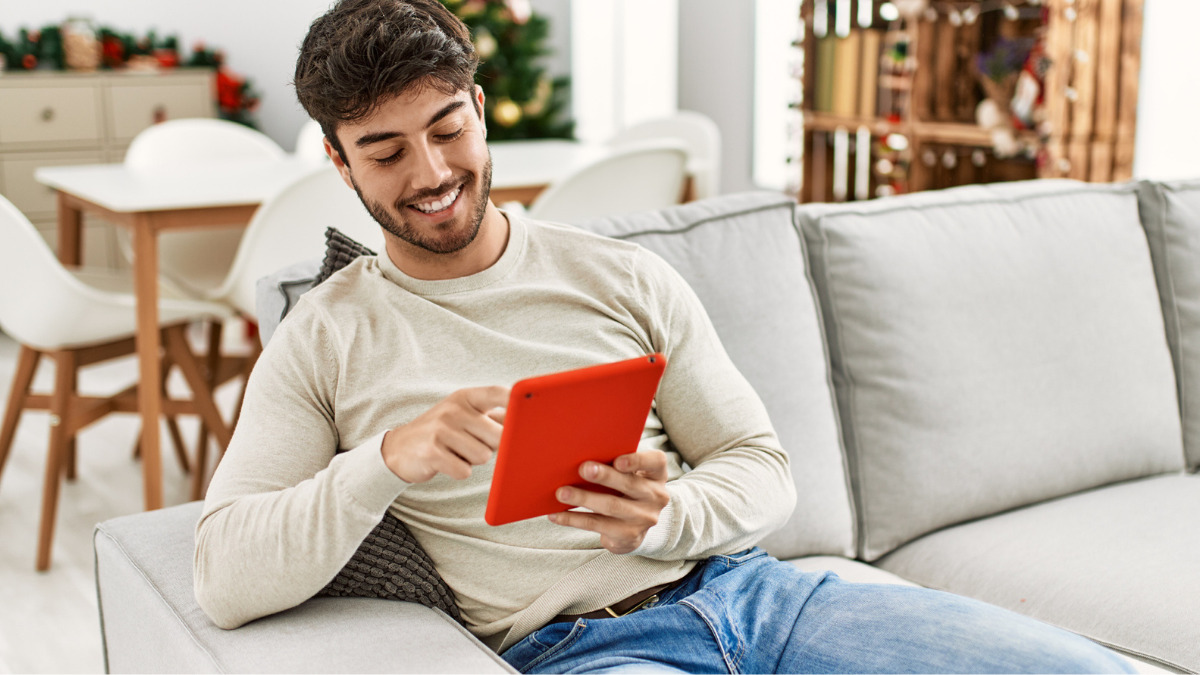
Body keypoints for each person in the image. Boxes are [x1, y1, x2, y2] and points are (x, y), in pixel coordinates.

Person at [193, 1, 1134, 672]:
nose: (432, 173)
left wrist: (669, 514)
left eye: (446, 130)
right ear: (338, 161)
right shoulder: (324, 337)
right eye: (386, 152)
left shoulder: (620, 273)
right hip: (580, 647)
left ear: (479, 112)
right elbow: (223, 576)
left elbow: (760, 463)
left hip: (756, 595)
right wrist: (386, 461)